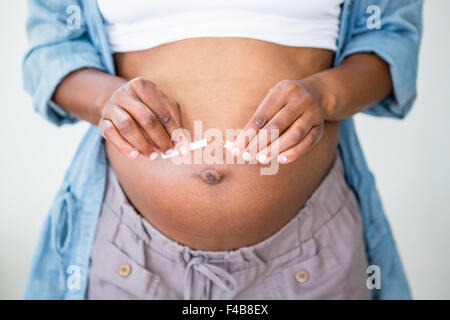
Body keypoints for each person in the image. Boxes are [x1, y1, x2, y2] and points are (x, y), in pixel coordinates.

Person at [23, 0, 423, 299]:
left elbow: (389, 40)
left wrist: (325, 95)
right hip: (131, 252)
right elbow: (53, 50)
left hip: (310, 254)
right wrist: (107, 100)